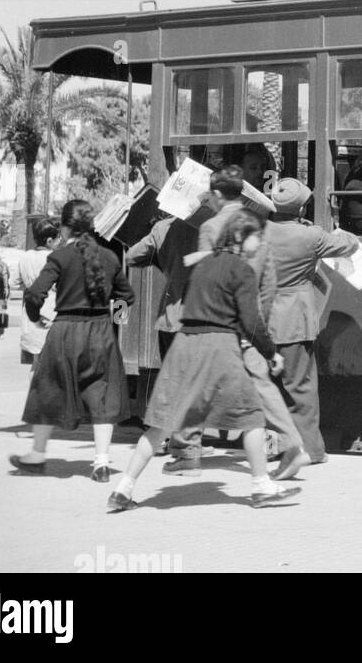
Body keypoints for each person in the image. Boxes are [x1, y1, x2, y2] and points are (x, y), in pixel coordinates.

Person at [107, 211, 300, 512]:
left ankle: (123, 488)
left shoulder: (202, 264)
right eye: (256, 237)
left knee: (161, 423)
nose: (260, 243)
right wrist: (271, 353)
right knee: (252, 416)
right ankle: (262, 487)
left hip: (184, 344)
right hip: (219, 346)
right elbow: (251, 320)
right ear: (240, 236)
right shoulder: (241, 269)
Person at [191, 167, 304, 477]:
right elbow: (269, 283)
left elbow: (207, 277)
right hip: (251, 321)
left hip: (221, 322)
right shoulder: (259, 224)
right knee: (262, 385)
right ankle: (293, 445)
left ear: (216, 194)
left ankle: (183, 449)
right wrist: (257, 324)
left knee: (191, 380)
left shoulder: (210, 227)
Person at [11, 200, 135, 482]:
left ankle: (37, 455)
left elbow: (35, 294)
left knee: (46, 390)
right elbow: (126, 296)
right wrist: (116, 324)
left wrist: (35, 317)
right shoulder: (109, 257)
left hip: (65, 330)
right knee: (102, 394)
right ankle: (101, 463)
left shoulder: (60, 257)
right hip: (101, 331)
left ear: (65, 228)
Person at [265, 177, 362, 473]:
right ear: (301, 208)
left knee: (269, 387)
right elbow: (349, 243)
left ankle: (277, 446)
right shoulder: (310, 236)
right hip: (295, 318)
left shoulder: (259, 232)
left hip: (264, 317)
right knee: (301, 386)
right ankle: (311, 449)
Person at [125, 189, 219, 468]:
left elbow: (132, 257)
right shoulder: (212, 228)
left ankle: (174, 440)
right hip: (202, 318)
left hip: (169, 317)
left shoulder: (163, 228)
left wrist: (163, 260)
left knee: (174, 383)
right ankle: (187, 444)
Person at [17, 216, 61, 370]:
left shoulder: (25, 257)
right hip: (49, 314)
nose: (60, 241)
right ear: (49, 241)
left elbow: (15, 282)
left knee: (36, 365)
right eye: (58, 238)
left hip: (30, 315)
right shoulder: (54, 259)